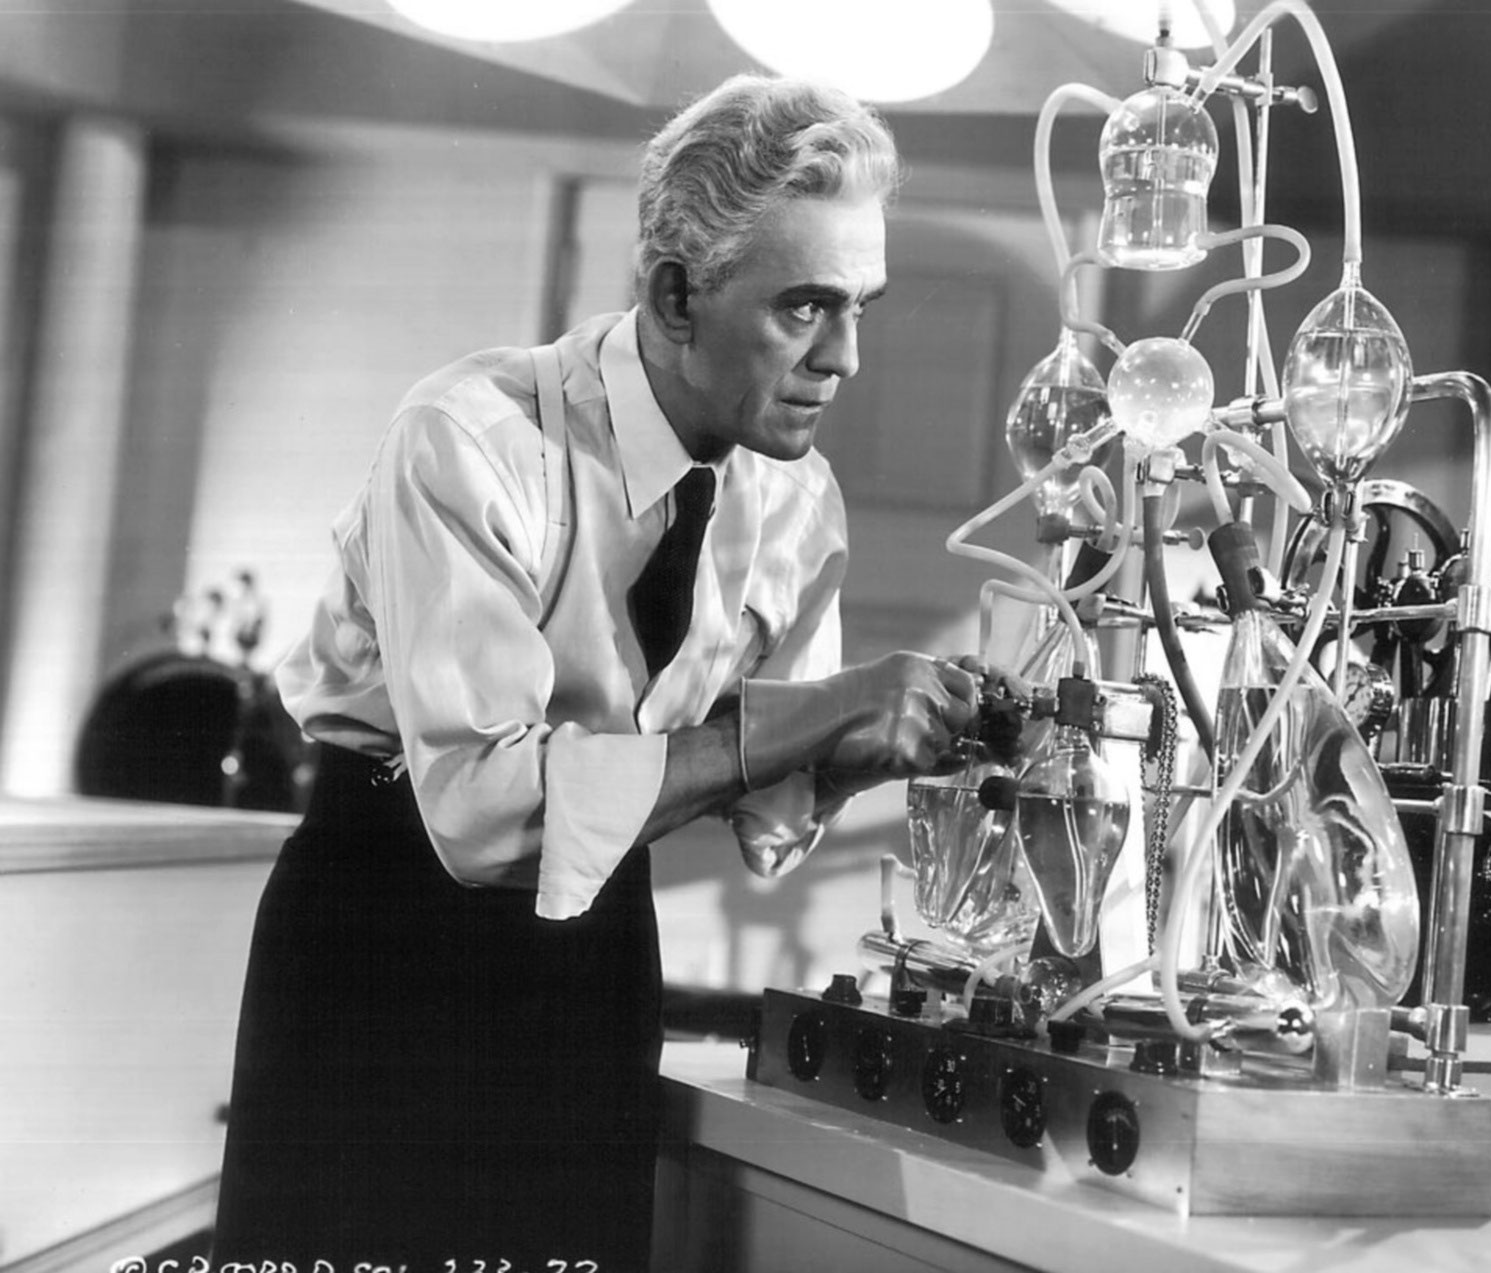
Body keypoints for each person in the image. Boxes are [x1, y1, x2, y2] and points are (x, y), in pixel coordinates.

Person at [211, 74, 984, 1270]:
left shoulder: (795, 500)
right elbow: (478, 814)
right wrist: (813, 714)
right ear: (675, 294)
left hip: (599, 941)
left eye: (859, 309)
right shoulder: (470, 438)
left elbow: (765, 804)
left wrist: (878, 741)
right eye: (804, 309)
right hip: (386, 932)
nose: (844, 358)